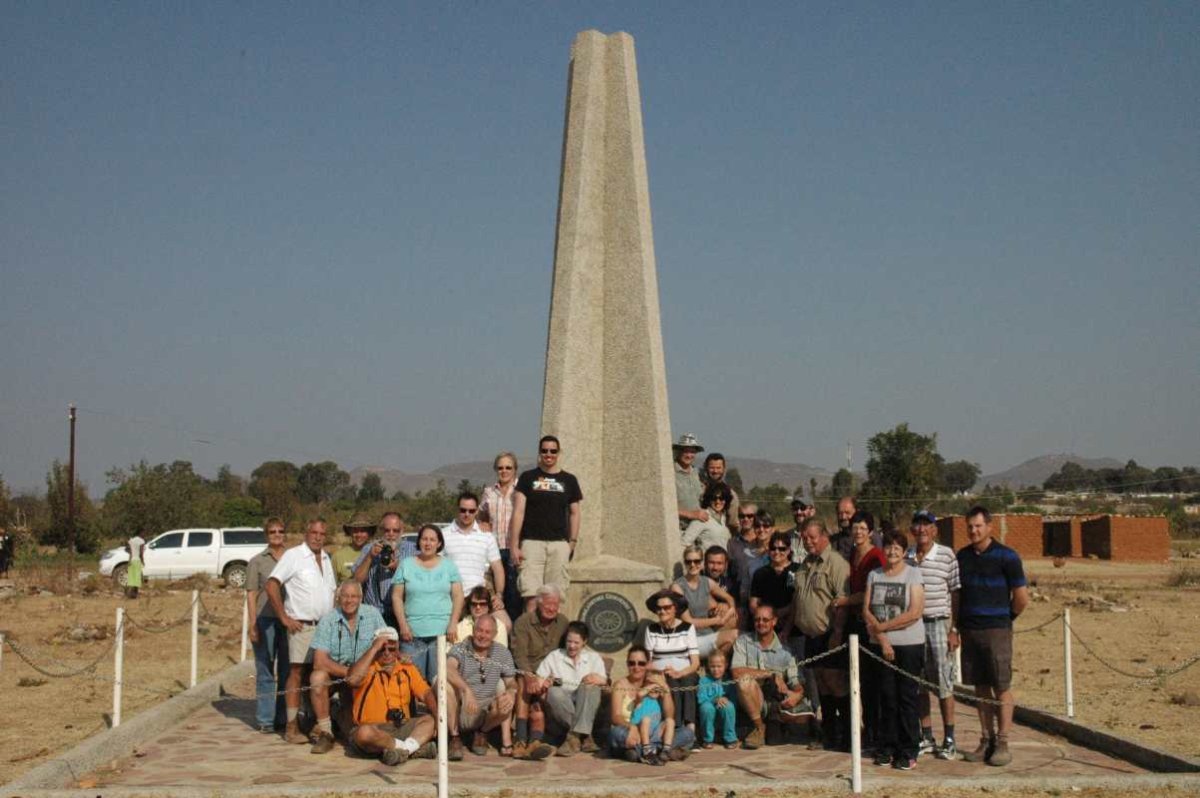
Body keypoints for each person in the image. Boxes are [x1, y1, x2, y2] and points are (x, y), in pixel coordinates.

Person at [957, 505, 1029, 767]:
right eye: (970, 526)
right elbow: (957, 595)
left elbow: (1021, 598)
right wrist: (956, 626)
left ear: (989, 527)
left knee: (1002, 687)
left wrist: (1005, 620)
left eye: (978, 526)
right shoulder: (962, 557)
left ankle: (1003, 741)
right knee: (980, 688)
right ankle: (985, 739)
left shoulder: (1007, 557)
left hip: (997, 630)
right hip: (970, 630)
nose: (973, 531)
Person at [266, 518, 337, 745]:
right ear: (306, 533)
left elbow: (332, 593)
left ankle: (316, 722)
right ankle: (291, 726)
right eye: (314, 532)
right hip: (302, 625)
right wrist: (284, 617)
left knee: (319, 675)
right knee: (296, 674)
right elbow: (271, 584)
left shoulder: (326, 559)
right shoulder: (294, 556)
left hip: (324, 627)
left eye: (322, 533)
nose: (317, 537)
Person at [782, 518, 850, 751]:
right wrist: (787, 629)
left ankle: (848, 735)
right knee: (821, 685)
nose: (808, 541)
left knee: (836, 684)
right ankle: (829, 733)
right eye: (804, 537)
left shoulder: (836, 563)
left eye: (813, 537)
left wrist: (838, 632)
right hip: (810, 636)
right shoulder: (805, 565)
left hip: (830, 634)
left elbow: (842, 601)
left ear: (824, 537)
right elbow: (798, 600)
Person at [864, 528, 926, 770]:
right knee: (886, 697)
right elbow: (867, 609)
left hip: (909, 645)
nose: (892, 551)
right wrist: (882, 637)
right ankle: (887, 746)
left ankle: (909, 749)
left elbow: (915, 612)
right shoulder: (874, 575)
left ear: (904, 551)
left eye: (897, 548)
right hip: (881, 646)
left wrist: (883, 627)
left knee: (906, 698)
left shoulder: (913, 574)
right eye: (888, 546)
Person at [308, 580, 388, 754]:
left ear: (360, 598)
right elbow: (319, 661)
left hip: (365, 673)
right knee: (317, 677)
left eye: (354, 596)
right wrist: (349, 673)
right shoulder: (328, 620)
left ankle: (339, 715)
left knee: (353, 730)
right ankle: (325, 732)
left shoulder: (373, 614)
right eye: (345, 596)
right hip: (337, 673)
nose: (349, 600)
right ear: (338, 598)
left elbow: (387, 644)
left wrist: (359, 673)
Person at [907, 509, 961, 760]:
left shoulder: (947, 555)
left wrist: (954, 629)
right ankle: (926, 735)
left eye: (926, 525)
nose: (922, 530)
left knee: (943, 683)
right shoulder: (907, 556)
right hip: (913, 626)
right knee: (919, 684)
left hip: (939, 623)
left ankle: (949, 738)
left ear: (935, 529)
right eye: (917, 525)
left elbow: (956, 593)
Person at [509, 435, 582, 613]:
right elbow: (518, 512)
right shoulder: (527, 478)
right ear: (540, 452)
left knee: (554, 599)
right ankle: (532, 639)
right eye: (544, 451)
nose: (548, 454)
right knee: (531, 598)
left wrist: (572, 542)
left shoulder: (569, 480)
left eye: (553, 451)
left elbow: (575, 513)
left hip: (558, 544)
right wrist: (514, 545)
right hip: (531, 543)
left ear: (558, 453)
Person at [344, 627, 437, 766]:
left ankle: (399, 751)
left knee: (431, 720)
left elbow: (425, 693)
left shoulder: (407, 668)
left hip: (401, 726)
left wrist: (437, 713)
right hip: (373, 730)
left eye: (391, 649)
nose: (387, 653)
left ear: (398, 648)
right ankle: (412, 749)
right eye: (382, 649)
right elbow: (352, 680)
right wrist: (373, 649)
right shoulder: (366, 667)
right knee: (364, 733)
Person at [732, 604, 811, 749]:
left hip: (774, 703)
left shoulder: (785, 650)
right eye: (757, 620)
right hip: (752, 698)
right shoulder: (743, 641)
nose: (760, 623)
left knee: (774, 741)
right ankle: (759, 727)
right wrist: (770, 674)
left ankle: (777, 727)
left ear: (774, 621)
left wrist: (797, 694)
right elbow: (736, 671)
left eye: (765, 620)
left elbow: (796, 680)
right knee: (744, 681)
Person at [391, 524, 463, 681]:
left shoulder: (449, 565)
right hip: (412, 636)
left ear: (439, 543)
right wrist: (403, 625)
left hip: (442, 635)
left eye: (432, 540)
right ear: (419, 541)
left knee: (438, 683)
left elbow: (458, 595)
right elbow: (396, 596)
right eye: (424, 539)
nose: (428, 543)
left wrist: (453, 623)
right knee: (413, 682)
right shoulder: (406, 564)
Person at [445, 614, 518, 759]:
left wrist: (511, 691)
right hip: (462, 710)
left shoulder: (502, 653)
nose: (482, 635)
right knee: (444, 684)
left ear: (495, 635)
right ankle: (454, 738)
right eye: (479, 630)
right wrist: (466, 691)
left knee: (504, 689)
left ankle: (482, 733)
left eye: (487, 632)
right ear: (473, 630)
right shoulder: (461, 648)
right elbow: (448, 669)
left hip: (486, 712)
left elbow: (511, 681)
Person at [510, 583, 570, 759]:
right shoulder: (523, 622)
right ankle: (521, 739)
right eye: (548, 604)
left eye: (555, 605)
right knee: (523, 684)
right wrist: (531, 677)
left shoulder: (563, 622)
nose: (552, 609)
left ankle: (535, 740)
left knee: (541, 700)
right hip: (529, 672)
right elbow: (519, 655)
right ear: (538, 603)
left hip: (553, 673)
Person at [609, 646, 696, 764]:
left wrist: (665, 689)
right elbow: (616, 716)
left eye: (641, 663)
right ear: (627, 664)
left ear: (647, 664)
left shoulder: (653, 680)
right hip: (631, 733)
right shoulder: (620, 685)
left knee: (688, 733)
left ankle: (640, 752)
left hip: (653, 733)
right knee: (616, 733)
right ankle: (660, 751)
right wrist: (632, 727)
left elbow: (669, 714)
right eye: (632, 663)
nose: (636, 667)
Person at [536, 620, 607, 756]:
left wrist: (598, 679)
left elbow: (604, 680)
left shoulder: (593, 658)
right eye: (569, 642)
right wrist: (544, 683)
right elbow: (540, 678)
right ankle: (585, 735)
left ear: (584, 642)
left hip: (588, 703)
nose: (572, 646)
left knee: (590, 687)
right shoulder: (555, 656)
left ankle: (573, 737)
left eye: (576, 643)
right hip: (563, 705)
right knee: (554, 691)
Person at [245, 518, 290, 732]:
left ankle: (283, 717)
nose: (277, 534)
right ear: (267, 534)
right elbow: (252, 593)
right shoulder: (257, 561)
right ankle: (265, 719)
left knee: (287, 670)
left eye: (280, 531)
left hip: (289, 619)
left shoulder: (293, 557)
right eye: (272, 531)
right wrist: (252, 624)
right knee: (265, 670)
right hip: (266, 619)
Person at [441, 492, 509, 629]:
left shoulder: (487, 536)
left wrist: (499, 594)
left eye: (471, 511)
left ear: (477, 511)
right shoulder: (443, 534)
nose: (467, 514)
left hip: (481, 596)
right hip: (452, 598)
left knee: (505, 625)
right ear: (457, 509)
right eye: (463, 510)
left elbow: (498, 568)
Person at [643, 588, 701, 735]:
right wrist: (659, 672)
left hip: (685, 672)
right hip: (660, 674)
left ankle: (690, 730)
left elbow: (695, 663)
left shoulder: (687, 628)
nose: (662, 611)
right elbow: (647, 663)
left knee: (687, 682)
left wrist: (679, 672)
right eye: (659, 608)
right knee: (671, 683)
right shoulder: (651, 629)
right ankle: (675, 729)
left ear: (675, 609)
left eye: (667, 607)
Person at [672, 544, 738, 659]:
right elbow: (688, 622)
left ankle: (715, 664)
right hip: (691, 638)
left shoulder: (706, 582)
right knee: (736, 635)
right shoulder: (677, 587)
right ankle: (714, 662)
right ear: (685, 563)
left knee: (736, 620)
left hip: (707, 632)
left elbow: (730, 599)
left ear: (702, 563)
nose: (693, 565)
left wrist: (730, 609)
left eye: (696, 561)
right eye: (689, 562)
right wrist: (716, 621)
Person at [479, 451, 524, 619]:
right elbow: (480, 514)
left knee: (515, 597)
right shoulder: (489, 492)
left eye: (508, 467)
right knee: (495, 598)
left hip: (514, 550)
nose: (504, 471)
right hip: (495, 551)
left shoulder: (521, 491)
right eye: (500, 468)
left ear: (515, 470)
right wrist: (482, 522)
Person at [352, 512, 409, 627]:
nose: (391, 534)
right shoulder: (369, 548)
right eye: (387, 530)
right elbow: (356, 581)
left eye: (395, 530)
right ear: (381, 531)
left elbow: (420, 582)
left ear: (402, 530)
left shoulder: (412, 550)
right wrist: (370, 557)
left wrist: (398, 568)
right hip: (373, 615)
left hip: (403, 616)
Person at [749, 531, 799, 624]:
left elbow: (799, 600)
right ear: (768, 551)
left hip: (793, 625)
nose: (777, 552)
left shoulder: (798, 570)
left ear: (788, 550)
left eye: (782, 549)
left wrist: (781, 613)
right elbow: (753, 603)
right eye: (773, 548)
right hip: (766, 625)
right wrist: (765, 617)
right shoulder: (760, 573)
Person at [697, 650, 739, 749]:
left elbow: (734, 699)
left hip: (724, 714)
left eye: (719, 666)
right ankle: (708, 739)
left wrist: (725, 699)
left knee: (728, 706)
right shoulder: (704, 680)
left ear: (726, 665)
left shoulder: (729, 680)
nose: (716, 670)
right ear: (708, 666)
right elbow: (700, 698)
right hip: (709, 714)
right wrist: (714, 700)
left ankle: (730, 738)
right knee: (706, 708)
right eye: (713, 666)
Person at [737, 512, 775, 615]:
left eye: (766, 526)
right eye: (758, 526)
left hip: (776, 605)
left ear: (773, 528)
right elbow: (745, 582)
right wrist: (743, 605)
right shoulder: (747, 552)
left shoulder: (779, 551)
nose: (761, 529)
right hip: (753, 606)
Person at [680, 482, 733, 554]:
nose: (717, 502)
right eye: (714, 498)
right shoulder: (702, 517)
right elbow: (684, 543)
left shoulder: (724, 518)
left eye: (721, 498)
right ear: (709, 499)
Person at [725, 502, 759, 608]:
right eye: (742, 516)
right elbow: (728, 573)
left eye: (750, 516)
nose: (746, 519)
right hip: (739, 600)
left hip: (761, 599)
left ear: (756, 517)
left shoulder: (763, 541)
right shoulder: (732, 543)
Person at [673, 433, 706, 530]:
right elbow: (663, 506)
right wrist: (690, 514)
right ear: (678, 452)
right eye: (685, 451)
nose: (689, 455)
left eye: (692, 452)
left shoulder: (697, 473)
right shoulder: (669, 473)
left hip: (698, 528)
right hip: (678, 529)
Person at [701, 452, 741, 532]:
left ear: (724, 469)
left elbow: (733, 522)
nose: (715, 471)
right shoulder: (699, 490)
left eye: (718, 468)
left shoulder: (730, 494)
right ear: (706, 468)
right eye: (712, 468)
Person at [333, 514, 375, 583]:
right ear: (350, 532)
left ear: (369, 532)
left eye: (363, 531)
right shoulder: (338, 556)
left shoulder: (377, 554)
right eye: (355, 531)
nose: (359, 535)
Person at [830, 497, 857, 562]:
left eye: (847, 513)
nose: (843, 517)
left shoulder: (869, 539)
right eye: (840, 513)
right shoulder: (833, 541)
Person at [124, 532, 146, 599]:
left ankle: (133, 595)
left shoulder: (131, 541)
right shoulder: (141, 541)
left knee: (131, 579)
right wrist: (142, 561)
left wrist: (129, 562)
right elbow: (141, 553)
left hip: (132, 561)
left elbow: (130, 553)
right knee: (136, 579)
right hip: (137, 560)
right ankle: (129, 594)